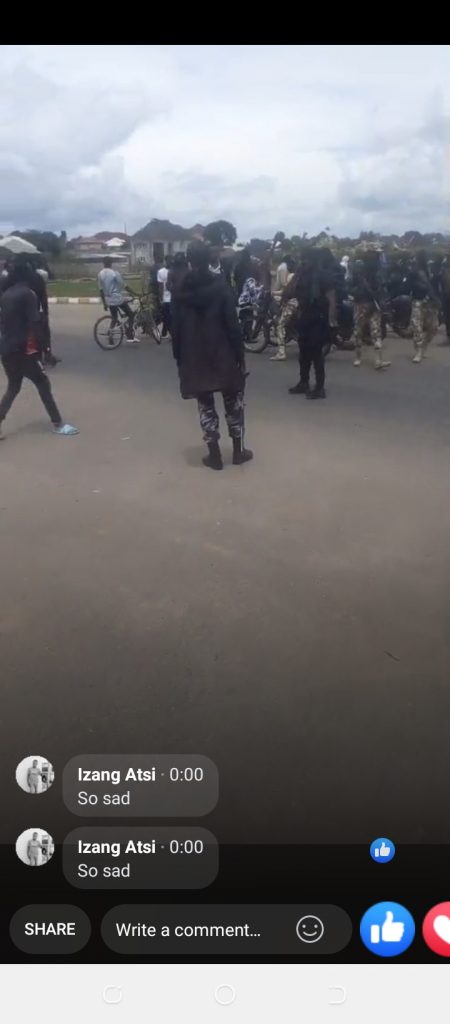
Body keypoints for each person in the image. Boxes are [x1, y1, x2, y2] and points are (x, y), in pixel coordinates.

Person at [171, 241, 252, 470]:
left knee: (205, 405)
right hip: (223, 353)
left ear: (189, 261)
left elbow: (175, 329)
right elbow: (232, 325)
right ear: (209, 259)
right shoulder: (221, 286)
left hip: (194, 356)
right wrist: (240, 354)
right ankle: (238, 452)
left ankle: (214, 456)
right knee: (233, 402)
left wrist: (179, 358)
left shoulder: (179, 291)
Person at [0, 261, 78, 439]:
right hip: (24, 350)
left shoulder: (6, 295)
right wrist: (47, 351)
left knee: (13, 386)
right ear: (27, 275)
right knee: (43, 383)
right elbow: (35, 325)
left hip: (6, 349)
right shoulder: (28, 294)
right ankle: (58, 423)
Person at [287, 248, 337, 399]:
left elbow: (332, 300)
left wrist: (331, 321)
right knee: (303, 353)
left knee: (316, 354)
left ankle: (320, 388)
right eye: (302, 260)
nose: (303, 262)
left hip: (319, 318)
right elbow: (290, 292)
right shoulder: (301, 275)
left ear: (313, 260)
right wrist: (296, 275)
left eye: (306, 260)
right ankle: (303, 383)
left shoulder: (324, 276)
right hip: (304, 316)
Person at [350, 249, 390, 369]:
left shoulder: (358, 271)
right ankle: (378, 360)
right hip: (373, 306)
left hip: (362, 305)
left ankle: (359, 358)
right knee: (375, 332)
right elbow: (382, 290)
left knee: (359, 332)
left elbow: (350, 287)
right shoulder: (378, 273)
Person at [405, 252, 440, 363]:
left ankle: (423, 346)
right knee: (417, 327)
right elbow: (407, 287)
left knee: (434, 327)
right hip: (417, 302)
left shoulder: (431, 272)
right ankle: (419, 351)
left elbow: (436, 287)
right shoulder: (412, 273)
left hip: (430, 302)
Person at [98, 257, 138, 343]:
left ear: (103, 263)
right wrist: (134, 293)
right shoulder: (114, 273)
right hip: (117, 299)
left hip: (109, 300)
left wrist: (104, 303)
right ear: (111, 263)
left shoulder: (100, 274)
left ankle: (111, 337)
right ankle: (130, 335)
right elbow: (124, 285)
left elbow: (101, 290)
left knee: (114, 318)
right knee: (131, 315)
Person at [271, 256, 298, 362]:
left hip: (291, 304)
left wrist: (273, 292)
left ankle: (281, 353)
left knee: (280, 326)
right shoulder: (297, 276)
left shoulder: (290, 276)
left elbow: (286, 292)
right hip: (298, 303)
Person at [157, 256, 173, 338]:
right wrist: (161, 298)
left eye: (171, 260)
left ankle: (165, 332)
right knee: (167, 316)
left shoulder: (175, 271)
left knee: (170, 316)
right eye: (169, 260)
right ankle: (169, 332)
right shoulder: (161, 272)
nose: (170, 262)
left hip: (174, 297)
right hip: (166, 297)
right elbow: (160, 286)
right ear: (165, 261)